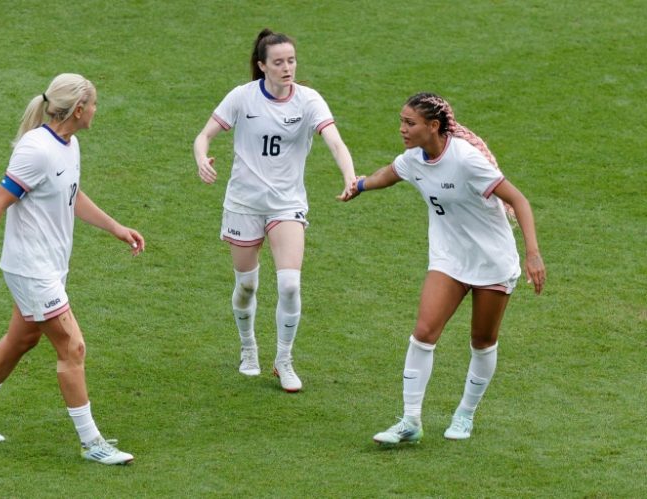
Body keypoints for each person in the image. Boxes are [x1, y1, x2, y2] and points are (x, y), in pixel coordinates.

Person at [0, 73, 145, 465]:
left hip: (50, 265)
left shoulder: (70, 144)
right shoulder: (36, 150)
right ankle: (92, 443)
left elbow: (72, 193)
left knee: (22, 338)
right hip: (31, 268)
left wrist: (116, 228)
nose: (97, 111)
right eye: (95, 105)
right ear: (79, 109)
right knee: (73, 346)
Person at [343, 92, 546, 442]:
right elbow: (388, 175)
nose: (402, 129)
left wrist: (533, 254)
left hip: (491, 260)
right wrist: (359, 185)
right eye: (401, 121)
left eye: (410, 123)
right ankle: (410, 421)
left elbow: (518, 200)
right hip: (449, 259)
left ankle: (465, 414)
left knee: (482, 341)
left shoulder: (467, 160)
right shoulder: (413, 160)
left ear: (433, 126)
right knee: (423, 332)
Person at [193, 29, 356, 392]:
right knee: (247, 286)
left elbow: (334, 141)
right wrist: (202, 158)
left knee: (290, 284)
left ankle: (284, 359)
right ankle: (248, 347)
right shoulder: (242, 98)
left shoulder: (309, 101)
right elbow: (203, 136)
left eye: (292, 60)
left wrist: (349, 176)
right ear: (262, 65)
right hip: (243, 204)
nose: (287, 68)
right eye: (279, 62)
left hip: (286, 204)